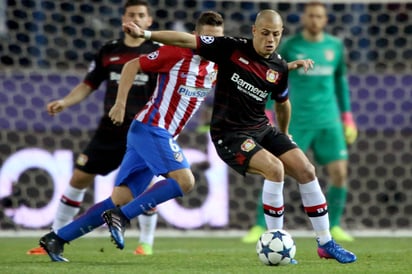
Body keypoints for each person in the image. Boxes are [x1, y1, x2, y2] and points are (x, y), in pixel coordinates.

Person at [117, 9, 357, 264]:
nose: (270, 40)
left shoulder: (278, 66)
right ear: (254, 30)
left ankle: (326, 242)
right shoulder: (230, 48)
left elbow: (283, 103)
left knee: (307, 170)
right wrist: (146, 33)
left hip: (262, 128)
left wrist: (285, 135)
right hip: (228, 133)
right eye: (265, 33)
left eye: (276, 35)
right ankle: (274, 238)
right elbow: (187, 40)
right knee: (275, 169)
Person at [38, 10, 225, 262]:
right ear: (194, 36)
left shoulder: (216, 65)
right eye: (207, 39)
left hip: (152, 134)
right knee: (185, 181)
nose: (211, 46)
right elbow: (131, 64)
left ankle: (57, 238)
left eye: (217, 40)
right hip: (151, 128)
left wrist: (283, 68)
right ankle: (123, 218)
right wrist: (120, 103)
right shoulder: (176, 53)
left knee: (120, 198)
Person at [28, 0, 160, 256]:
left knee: (139, 187)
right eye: (131, 14)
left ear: (149, 21)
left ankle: (146, 243)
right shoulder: (108, 51)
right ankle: (54, 235)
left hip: (142, 129)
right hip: (109, 129)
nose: (135, 18)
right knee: (79, 177)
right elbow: (89, 84)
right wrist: (65, 102)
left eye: (141, 15)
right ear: (123, 18)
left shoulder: (157, 50)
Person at [243, 1, 358, 244]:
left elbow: (340, 83)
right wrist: (268, 111)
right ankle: (259, 224)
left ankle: (334, 225)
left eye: (319, 16)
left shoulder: (335, 46)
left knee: (340, 173)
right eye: (311, 15)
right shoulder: (291, 46)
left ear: (325, 20)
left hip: (328, 120)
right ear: (304, 18)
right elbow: (271, 76)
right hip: (297, 120)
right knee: (275, 169)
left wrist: (347, 116)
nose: (315, 20)